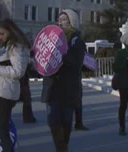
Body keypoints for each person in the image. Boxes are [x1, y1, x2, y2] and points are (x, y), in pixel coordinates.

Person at [0, 19, 30, 152]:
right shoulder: (8, 46)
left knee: (2, 130)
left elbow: (18, 71)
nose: (0, 37)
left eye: (2, 33)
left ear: (10, 31)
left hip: (5, 91)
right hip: (2, 89)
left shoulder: (15, 47)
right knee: (2, 128)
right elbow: (3, 62)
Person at [41, 9, 86, 152]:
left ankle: (62, 147)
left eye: (64, 19)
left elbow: (77, 62)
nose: (60, 22)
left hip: (68, 88)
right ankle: (61, 149)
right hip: (52, 87)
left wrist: (62, 53)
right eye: (59, 19)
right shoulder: (51, 39)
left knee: (66, 123)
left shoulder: (77, 41)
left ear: (71, 21)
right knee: (53, 120)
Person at [20, 51, 36, 124]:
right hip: (22, 76)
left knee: (27, 97)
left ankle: (28, 116)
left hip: (23, 76)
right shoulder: (22, 51)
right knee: (27, 97)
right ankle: (28, 117)